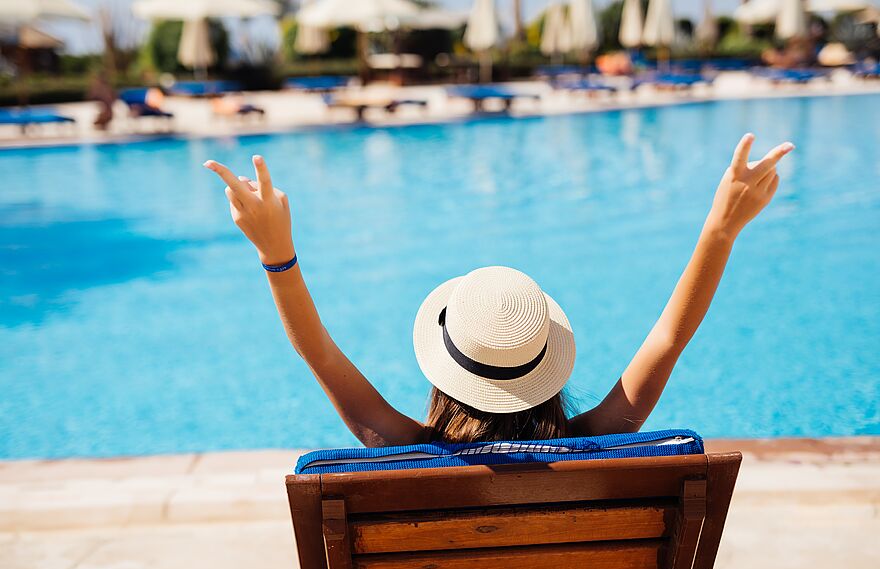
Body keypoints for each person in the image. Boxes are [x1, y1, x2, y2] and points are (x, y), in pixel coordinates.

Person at [204, 133, 794, 446]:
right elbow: (668, 339)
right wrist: (721, 229)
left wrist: (276, 254)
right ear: (545, 363)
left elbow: (321, 355)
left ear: (445, 367)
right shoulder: (599, 441)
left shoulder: (405, 450)